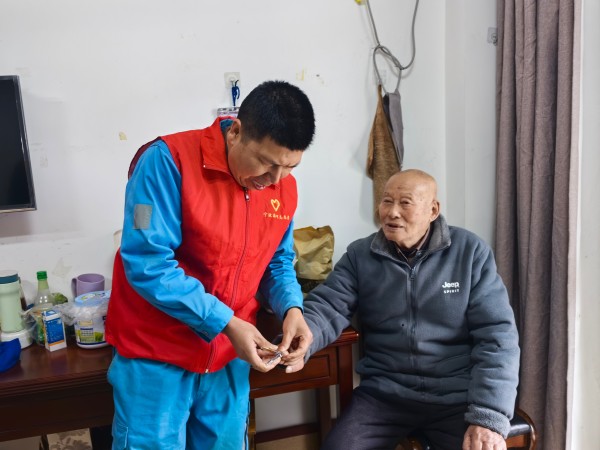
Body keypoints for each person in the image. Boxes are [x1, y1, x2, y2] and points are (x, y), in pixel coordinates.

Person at [104, 80, 315, 450]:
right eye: (267, 163)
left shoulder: (283, 188)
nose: (275, 180)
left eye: (290, 167)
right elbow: (147, 261)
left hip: (228, 356)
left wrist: (292, 308)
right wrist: (225, 322)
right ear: (235, 132)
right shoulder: (165, 162)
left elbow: (277, 261)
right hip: (157, 355)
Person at [286, 169, 520, 450]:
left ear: (433, 210)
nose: (392, 212)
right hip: (384, 395)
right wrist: (301, 338)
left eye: (405, 203)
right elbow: (328, 306)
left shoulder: (469, 252)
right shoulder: (360, 255)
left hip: (456, 395)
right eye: (386, 201)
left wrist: (489, 414)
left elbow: (497, 336)